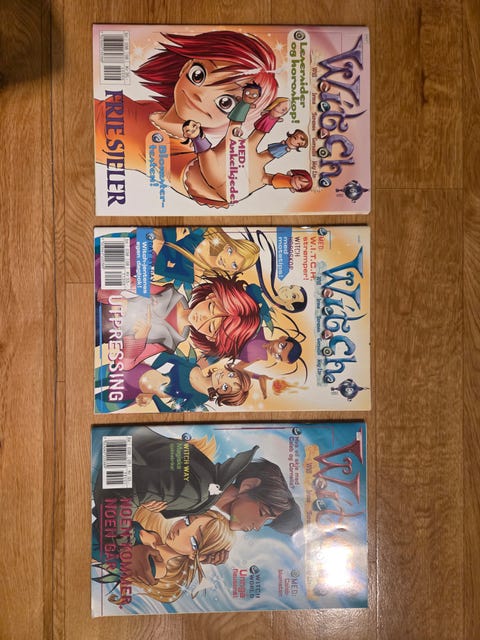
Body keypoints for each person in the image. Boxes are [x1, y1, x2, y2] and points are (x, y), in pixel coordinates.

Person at [152, 227, 260, 291]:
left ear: (233, 272)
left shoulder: (195, 277)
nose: (226, 260)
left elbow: (159, 269)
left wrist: (166, 244)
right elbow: (170, 230)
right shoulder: (203, 237)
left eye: (234, 265)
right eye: (230, 252)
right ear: (227, 247)